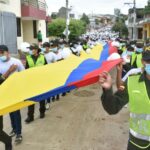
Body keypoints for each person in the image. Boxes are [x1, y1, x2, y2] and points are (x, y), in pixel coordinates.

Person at [99, 50, 150, 150]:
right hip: (138, 144)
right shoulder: (131, 81)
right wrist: (108, 89)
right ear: (143, 62)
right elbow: (112, 108)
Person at [0, 45, 25, 144]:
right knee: (10, 111)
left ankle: (19, 133)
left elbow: (23, 75)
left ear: (7, 52)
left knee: (16, 112)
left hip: (15, 91)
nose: (1, 55)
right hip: (5, 92)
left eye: (2, 52)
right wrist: (9, 71)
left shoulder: (16, 62)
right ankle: (14, 129)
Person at [25, 44, 47, 123]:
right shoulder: (28, 58)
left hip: (41, 81)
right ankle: (30, 116)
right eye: (30, 49)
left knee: (41, 98)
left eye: (32, 49)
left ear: (37, 49)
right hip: (31, 81)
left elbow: (47, 68)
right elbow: (26, 70)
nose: (31, 50)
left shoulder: (42, 57)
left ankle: (42, 112)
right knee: (31, 99)